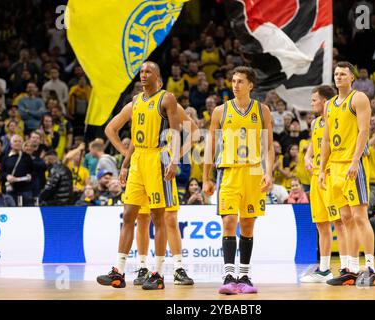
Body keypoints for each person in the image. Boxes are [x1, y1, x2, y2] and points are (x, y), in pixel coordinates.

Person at [103, 75, 198, 288]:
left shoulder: (168, 102)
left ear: (160, 83)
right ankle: (143, 266)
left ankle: (178, 267)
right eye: (142, 73)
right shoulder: (136, 103)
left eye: (149, 74)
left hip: (161, 162)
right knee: (140, 218)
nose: (144, 77)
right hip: (140, 163)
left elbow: (193, 132)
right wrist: (126, 158)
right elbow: (111, 129)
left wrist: (177, 156)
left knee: (168, 218)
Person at [203, 66, 274, 294]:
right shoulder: (220, 111)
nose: (235, 85)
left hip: (253, 171)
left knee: (247, 225)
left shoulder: (262, 110)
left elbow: (270, 146)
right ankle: (228, 275)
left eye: (240, 81)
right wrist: (206, 177)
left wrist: (269, 172)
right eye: (233, 81)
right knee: (229, 222)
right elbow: (210, 146)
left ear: (250, 85)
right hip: (229, 171)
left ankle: (244, 274)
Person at [319, 61, 375, 286]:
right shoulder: (329, 105)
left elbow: (364, 130)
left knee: (360, 217)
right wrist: (322, 168)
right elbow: (325, 139)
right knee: (345, 218)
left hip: (354, 164)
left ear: (352, 77)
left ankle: (371, 268)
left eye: (343, 74)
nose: (338, 77)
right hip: (334, 166)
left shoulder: (359, 98)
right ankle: (351, 269)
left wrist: (355, 161)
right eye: (336, 74)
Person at [300, 85, 348, 283]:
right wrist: (307, 156)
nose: (312, 103)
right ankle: (325, 269)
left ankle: (346, 267)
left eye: (314, 100)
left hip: (331, 175)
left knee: (339, 222)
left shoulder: (337, 119)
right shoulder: (316, 123)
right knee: (321, 224)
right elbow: (315, 143)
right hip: (316, 177)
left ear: (325, 101)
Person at [0, 135, 33, 206]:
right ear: (11, 144)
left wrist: (30, 176)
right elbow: (1, 172)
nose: (17, 143)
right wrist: (7, 176)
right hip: (10, 189)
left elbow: (33, 171)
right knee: (11, 212)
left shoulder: (27, 157)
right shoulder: (6, 157)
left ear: (22, 143)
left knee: (27, 212)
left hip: (25, 189)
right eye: (15, 141)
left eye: (20, 141)